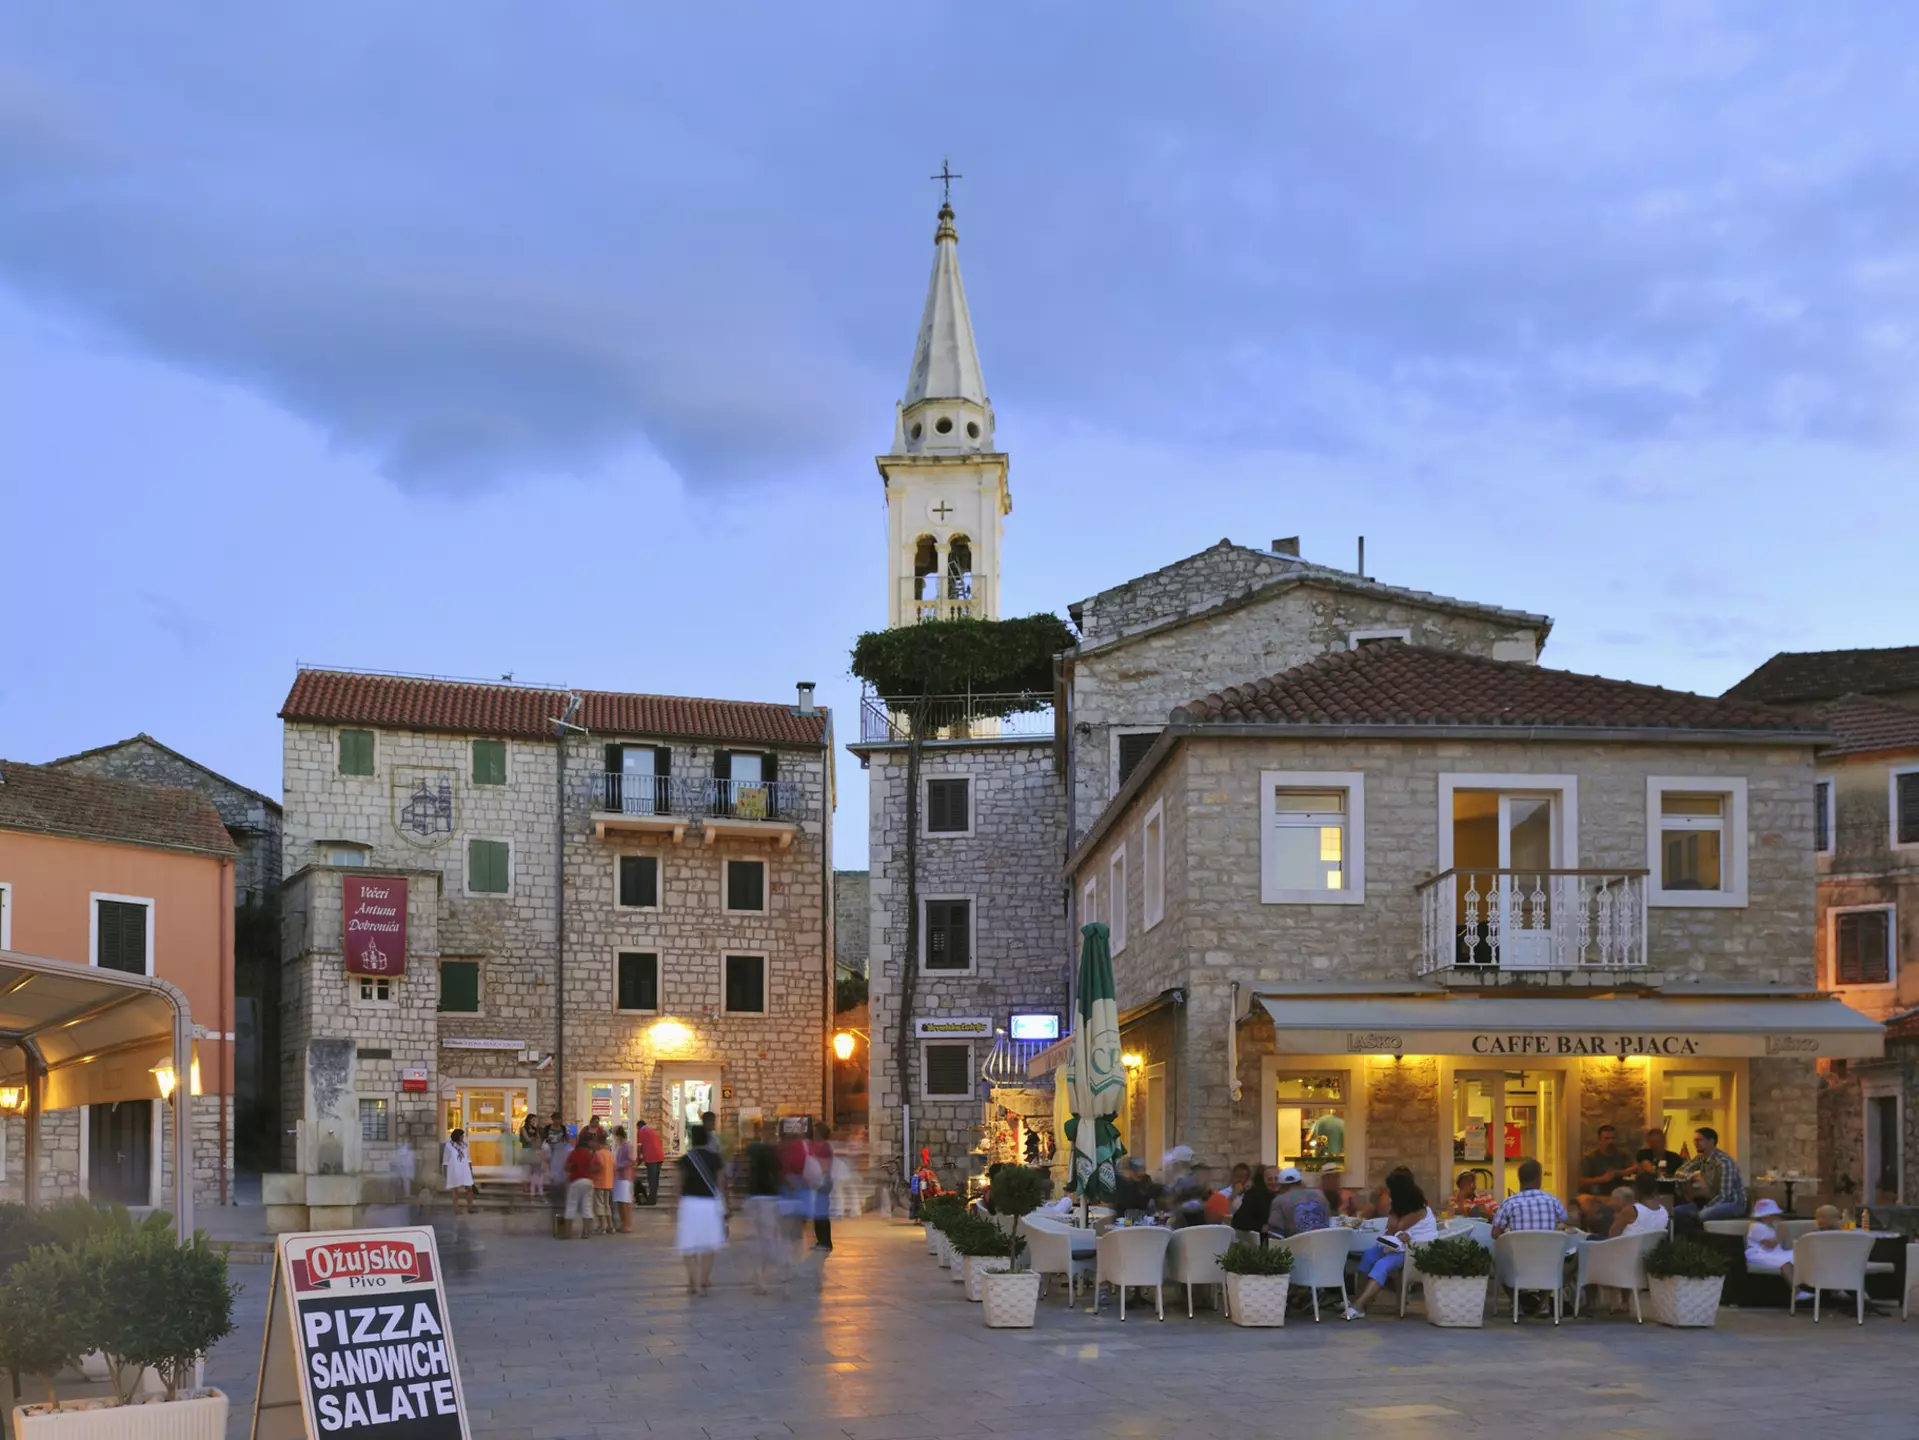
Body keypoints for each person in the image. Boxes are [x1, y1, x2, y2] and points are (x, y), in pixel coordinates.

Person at [1344, 1171, 1438, 1320]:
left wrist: (1396, 1223)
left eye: (1390, 1190)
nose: (1388, 1193)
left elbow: (1397, 1226)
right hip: (1398, 1246)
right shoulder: (1401, 1207)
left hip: (1414, 1250)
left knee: (1382, 1265)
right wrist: (1395, 1217)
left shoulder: (1419, 1210)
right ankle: (1360, 1299)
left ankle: (1358, 1306)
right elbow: (1390, 1228)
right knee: (1368, 1256)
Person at [677, 1122, 727, 1295]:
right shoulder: (715, 1159)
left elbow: (678, 1185)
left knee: (688, 1245)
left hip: (689, 1204)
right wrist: (725, 1206)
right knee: (708, 1245)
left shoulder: (686, 1160)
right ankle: (703, 1279)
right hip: (710, 1204)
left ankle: (694, 1282)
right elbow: (721, 1184)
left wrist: (673, 1207)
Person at [742, 1133, 789, 1294]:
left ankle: (758, 1275)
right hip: (769, 1200)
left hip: (752, 1199)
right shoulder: (774, 1160)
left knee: (756, 1238)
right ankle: (763, 1275)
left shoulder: (753, 1163)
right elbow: (781, 1177)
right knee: (768, 1238)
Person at [1673, 1127, 1748, 1221]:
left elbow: (1725, 1197)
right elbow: (1679, 1172)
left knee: (1703, 1214)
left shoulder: (1724, 1163)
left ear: (1711, 1141)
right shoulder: (1701, 1158)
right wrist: (1691, 1176)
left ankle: (1695, 1221)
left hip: (1732, 1203)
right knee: (1674, 1211)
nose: (1695, 1143)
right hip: (1709, 1201)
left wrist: (1705, 1207)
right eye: (1695, 1140)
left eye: (1699, 1140)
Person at [1490, 1158, 1568, 1237]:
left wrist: (1510, 1237)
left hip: (1519, 1245)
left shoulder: (1509, 1203)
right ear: (1539, 1178)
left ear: (1519, 1179)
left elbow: (1495, 1233)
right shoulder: (1552, 1201)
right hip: (1548, 1245)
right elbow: (1567, 1221)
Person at [1266, 1166, 1331, 1238]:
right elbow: (1329, 1220)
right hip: (1324, 1241)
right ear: (1301, 1182)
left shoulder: (1279, 1201)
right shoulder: (1320, 1195)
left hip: (1297, 1244)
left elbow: (1275, 1235)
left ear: (1281, 1186)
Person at [806, 1123, 836, 1251]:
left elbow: (824, 1166)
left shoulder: (824, 1147)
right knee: (817, 1212)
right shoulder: (814, 1145)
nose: (813, 1133)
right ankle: (820, 1241)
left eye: (815, 1131)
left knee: (821, 1212)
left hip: (822, 1182)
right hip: (815, 1181)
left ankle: (826, 1242)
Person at [1744, 1197, 1792, 1275]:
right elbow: (1770, 1245)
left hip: (1773, 1253)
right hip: (1759, 1254)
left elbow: (1788, 1245)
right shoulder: (1757, 1226)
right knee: (1786, 1263)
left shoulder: (1771, 1226)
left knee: (1797, 1256)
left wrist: (1785, 1231)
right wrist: (1781, 1231)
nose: (1776, 1217)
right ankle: (1795, 1283)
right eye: (1773, 1215)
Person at [563, 1133, 598, 1239]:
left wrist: (573, 1169)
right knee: (587, 1207)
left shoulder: (573, 1153)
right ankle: (586, 1232)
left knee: (571, 1206)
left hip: (575, 1180)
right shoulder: (589, 1154)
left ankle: (568, 1233)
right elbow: (593, 1168)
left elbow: (566, 1167)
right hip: (588, 1181)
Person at [1635, 1127, 1686, 1194]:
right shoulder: (1644, 1154)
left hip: (1669, 1192)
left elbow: (1683, 1175)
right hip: (1648, 1192)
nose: (1659, 1145)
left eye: (1661, 1141)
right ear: (1649, 1143)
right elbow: (1649, 1169)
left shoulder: (1674, 1157)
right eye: (1656, 1142)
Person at [1231, 1166, 1275, 1235]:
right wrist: (1261, 1227)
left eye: (1276, 1178)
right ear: (1264, 1180)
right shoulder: (1253, 1196)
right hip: (1264, 1238)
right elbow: (1238, 1221)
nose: (1273, 1182)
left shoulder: (1287, 1196)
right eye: (1270, 1179)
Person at [589, 1131, 616, 1235]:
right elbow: (614, 1168)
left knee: (599, 1205)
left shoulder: (598, 1154)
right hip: (608, 1182)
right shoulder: (610, 1154)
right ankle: (610, 1226)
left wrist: (590, 1169)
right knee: (607, 1205)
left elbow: (597, 1166)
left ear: (598, 1143)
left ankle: (602, 1226)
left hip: (599, 1182)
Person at [442, 1128, 474, 1215]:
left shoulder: (465, 1145)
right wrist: (445, 1173)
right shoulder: (449, 1146)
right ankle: (456, 1208)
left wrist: (470, 1169)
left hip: (465, 1169)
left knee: (469, 1188)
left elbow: (468, 1158)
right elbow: (445, 1160)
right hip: (454, 1169)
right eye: (461, 1135)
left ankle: (470, 1207)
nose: (463, 1137)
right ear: (457, 1136)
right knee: (455, 1189)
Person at [611, 1125, 637, 1233]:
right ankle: (623, 1223)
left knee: (625, 1202)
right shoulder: (617, 1146)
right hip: (617, 1177)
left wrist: (619, 1166)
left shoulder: (628, 1146)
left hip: (625, 1177)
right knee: (619, 1202)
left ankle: (627, 1225)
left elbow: (632, 1160)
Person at [637, 1117, 665, 1206]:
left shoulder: (641, 1131)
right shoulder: (652, 1131)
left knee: (652, 1179)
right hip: (659, 1157)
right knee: (655, 1179)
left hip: (651, 1157)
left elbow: (639, 1146)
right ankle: (653, 1197)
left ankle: (651, 1200)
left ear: (639, 1126)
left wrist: (638, 1159)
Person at [520, 1113, 546, 1199]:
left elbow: (538, 1139)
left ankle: (532, 1185)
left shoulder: (535, 1129)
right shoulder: (523, 1129)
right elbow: (527, 1139)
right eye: (533, 1120)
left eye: (535, 1120)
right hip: (526, 1149)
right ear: (529, 1120)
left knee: (533, 1168)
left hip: (534, 1150)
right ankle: (525, 1186)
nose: (534, 1121)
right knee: (526, 1168)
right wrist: (534, 1139)